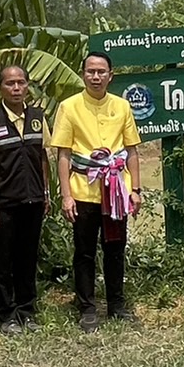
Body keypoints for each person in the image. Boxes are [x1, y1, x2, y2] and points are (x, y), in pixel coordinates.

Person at [54, 51, 142, 332]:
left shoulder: (122, 106)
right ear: (83, 74)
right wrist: (66, 195)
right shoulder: (69, 107)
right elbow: (63, 155)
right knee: (84, 251)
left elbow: (131, 151)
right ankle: (87, 307)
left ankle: (116, 304)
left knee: (115, 248)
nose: (96, 76)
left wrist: (135, 190)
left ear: (110, 75)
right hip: (84, 191)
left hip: (116, 191)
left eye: (101, 72)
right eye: (90, 71)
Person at [0, 63, 51, 335]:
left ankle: (27, 311)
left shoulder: (37, 117)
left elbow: (42, 156)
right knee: (4, 261)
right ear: (0, 88)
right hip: (3, 204)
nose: (16, 88)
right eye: (10, 83)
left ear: (28, 86)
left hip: (32, 201)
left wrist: (46, 193)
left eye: (21, 83)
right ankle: (7, 314)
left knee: (28, 259)